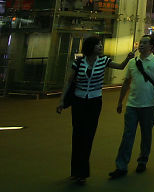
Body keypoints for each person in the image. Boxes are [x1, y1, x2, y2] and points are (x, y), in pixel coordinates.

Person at [56, 37, 133, 184]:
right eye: (98, 44)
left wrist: (128, 58)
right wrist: (61, 101)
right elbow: (69, 81)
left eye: (101, 44)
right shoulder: (78, 62)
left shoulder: (104, 61)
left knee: (88, 136)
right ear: (90, 47)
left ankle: (82, 173)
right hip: (79, 101)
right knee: (77, 135)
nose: (101, 46)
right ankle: (76, 171)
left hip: (94, 102)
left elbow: (121, 67)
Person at [109, 35, 154, 178]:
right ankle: (121, 166)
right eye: (141, 43)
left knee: (146, 134)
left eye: (145, 43)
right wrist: (120, 101)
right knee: (128, 135)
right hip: (132, 105)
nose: (141, 45)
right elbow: (126, 83)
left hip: (150, 105)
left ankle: (142, 160)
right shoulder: (132, 62)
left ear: (151, 46)